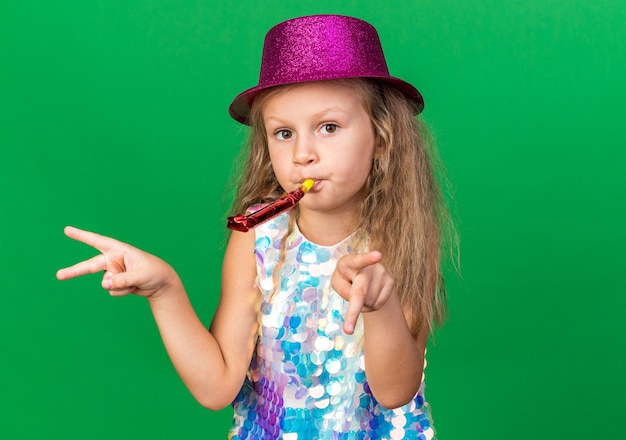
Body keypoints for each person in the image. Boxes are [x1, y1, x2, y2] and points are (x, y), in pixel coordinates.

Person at [57, 14, 455, 440]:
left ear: (382, 136)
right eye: (284, 133)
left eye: (329, 127)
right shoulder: (256, 236)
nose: (303, 153)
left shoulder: (401, 237)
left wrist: (381, 308)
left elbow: (395, 391)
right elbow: (217, 386)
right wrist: (164, 289)